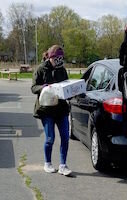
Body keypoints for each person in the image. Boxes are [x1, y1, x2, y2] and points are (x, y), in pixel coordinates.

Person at [31, 45, 72, 176]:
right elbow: (33, 88)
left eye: (61, 59)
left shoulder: (62, 70)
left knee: (65, 137)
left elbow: (66, 86)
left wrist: (71, 91)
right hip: (46, 109)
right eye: (57, 59)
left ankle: (63, 165)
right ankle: (47, 163)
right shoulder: (41, 69)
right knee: (50, 138)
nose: (59, 61)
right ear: (51, 57)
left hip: (61, 109)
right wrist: (43, 87)